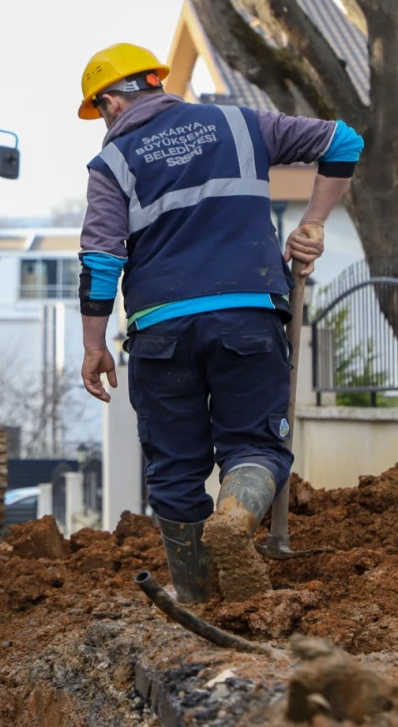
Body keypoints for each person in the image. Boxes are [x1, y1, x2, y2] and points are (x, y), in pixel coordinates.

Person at [75, 43, 363, 603]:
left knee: (176, 471)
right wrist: (314, 224)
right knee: (255, 446)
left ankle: (198, 599)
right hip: (247, 317)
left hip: (160, 331)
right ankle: (236, 518)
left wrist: (93, 345)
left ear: (111, 102)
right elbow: (343, 141)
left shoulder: (111, 163)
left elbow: (101, 259)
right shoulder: (239, 123)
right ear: (156, 81)